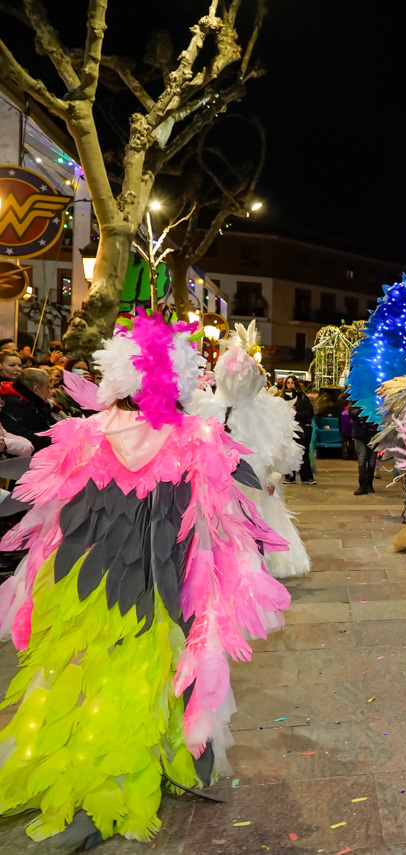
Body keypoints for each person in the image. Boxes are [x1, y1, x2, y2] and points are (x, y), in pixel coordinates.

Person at [0, 311, 291, 843]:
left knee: (79, 671)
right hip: (161, 585)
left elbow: (50, 514)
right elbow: (216, 525)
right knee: (150, 671)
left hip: (80, 582)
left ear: (116, 376)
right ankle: (121, 778)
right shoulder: (196, 438)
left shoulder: (88, 432)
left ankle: (84, 768)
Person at [190, 321, 310, 580]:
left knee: (244, 516)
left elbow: (277, 450)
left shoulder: (210, 407)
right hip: (235, 481)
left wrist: (272, 475)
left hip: (245, 481)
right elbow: (279, 452)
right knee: (243, 516)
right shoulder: (256, 410)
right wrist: (273, 473)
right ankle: (243, 563)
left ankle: (239, 563)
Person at [0, 367, 55, 452]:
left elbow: (52, 423)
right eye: (48, 388)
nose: (50, 393)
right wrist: (55, 438)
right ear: (36, 390)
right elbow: (23, 435)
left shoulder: (37, 401)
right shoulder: (10, 405)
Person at [282, 374, 315, 484]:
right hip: (288, 429)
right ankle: (289, 477)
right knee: (288, 453)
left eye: (292, 383)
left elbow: (309, 412)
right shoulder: (283, 398)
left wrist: (295, 412)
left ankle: (306, 478)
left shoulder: (302, 397)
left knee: (303, 453)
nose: (290, 385)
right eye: (288, 383)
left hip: (301, 429)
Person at [350, 405, 378, 495]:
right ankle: (362, 486)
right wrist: (363, 408)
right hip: (360, 435)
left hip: (374, 434)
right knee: (362, 458)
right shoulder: (355, 400)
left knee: (371, 461)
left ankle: (369, 484)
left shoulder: (377, 399)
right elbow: (351, 413)